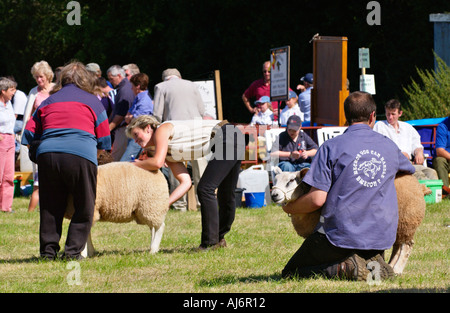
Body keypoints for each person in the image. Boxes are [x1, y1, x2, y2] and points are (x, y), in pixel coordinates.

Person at [281, 91, 415, 281]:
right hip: (380, 237)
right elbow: (408, 169)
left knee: (291, 273)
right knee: (371, 273)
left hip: (341, 236)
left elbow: (317, 199)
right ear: (372, 116)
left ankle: (346, 268)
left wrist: (289, 207)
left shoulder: (330, 147)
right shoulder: (389, 146)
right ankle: (372, 266)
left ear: (346, 117)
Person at [21, 62, 111, 260]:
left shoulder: (47, 101)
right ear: (86, 80)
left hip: (48, 155)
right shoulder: (93, 101)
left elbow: (27, 135)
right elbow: (105, 139)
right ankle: (72, 252)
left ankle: (47, 252)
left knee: (50, 207)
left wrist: (39, 153)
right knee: (85, 205)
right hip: (81, 154)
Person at [126, 115, 245, 250]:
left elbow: (157, 162)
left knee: (206, 189)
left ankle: (210, 243)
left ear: (148, 128)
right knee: (225, 193)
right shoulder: (168, 154)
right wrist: (165, 204)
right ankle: (218, 239)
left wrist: (134, 165)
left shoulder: (162, 129)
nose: (135, 141)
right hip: (231, 138)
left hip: (228, 135)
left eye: (136, 135)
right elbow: (186, 182)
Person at [153, 68, 208, 211]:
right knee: (200, 169)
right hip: (196, 130)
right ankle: (203, 203)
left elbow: (157, 116)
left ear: (165, 78)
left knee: (176, 168)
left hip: (175, 131)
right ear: (180, 76)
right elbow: (202, 111)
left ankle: (179, 205)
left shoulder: (160, 87)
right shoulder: (192, 85)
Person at [22, 61, 56, 212]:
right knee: (39, 171)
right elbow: (28, 116)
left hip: (55, 133)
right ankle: (38, 205)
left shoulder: (57, 89)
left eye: (41, 77)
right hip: (39, 137)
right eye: (36, 77)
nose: (39, 80)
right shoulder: (33, 92)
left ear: (48, 75)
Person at [373, 99, 425, 165]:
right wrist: (399, 155)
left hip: (409, 164)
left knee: (431, 173)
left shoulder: (408, 127)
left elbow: (416, 145)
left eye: (393, 114)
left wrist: (419, 153)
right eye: (388, 114)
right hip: (389, 164)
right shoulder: (380, 126)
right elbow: (377, 148)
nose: (390, 117)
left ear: (400, 113)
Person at [120, 73, 154, 161]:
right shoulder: (139, 98)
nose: (131, 88)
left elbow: (138, 120)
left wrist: (130, 117)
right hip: (135, 135)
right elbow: (129, 116)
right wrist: (130, 117)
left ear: (138, 86)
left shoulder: (145, 100)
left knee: (125, 161)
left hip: (139, 135)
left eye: (132, 86)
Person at [107, 65, 135, 161]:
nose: (110, 82)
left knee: (116, 159)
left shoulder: (124, 90)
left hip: (123, 129)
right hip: (123, 129)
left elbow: (121, 114)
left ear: (119, 75)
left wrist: (108, 128)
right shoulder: (124, 88)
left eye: (111, 79)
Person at [0, 77, 17, 213]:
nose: (14, 92)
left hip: (10, 140)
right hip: (1, 140)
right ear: (3, 91)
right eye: (11, 89)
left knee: (8, 176)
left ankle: (6, 207)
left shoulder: (9, 104)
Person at [432, 116, 450, 192]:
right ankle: (446, 192)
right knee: (439, 160)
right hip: (447, 159)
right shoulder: (443, 126)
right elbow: (439, 151)